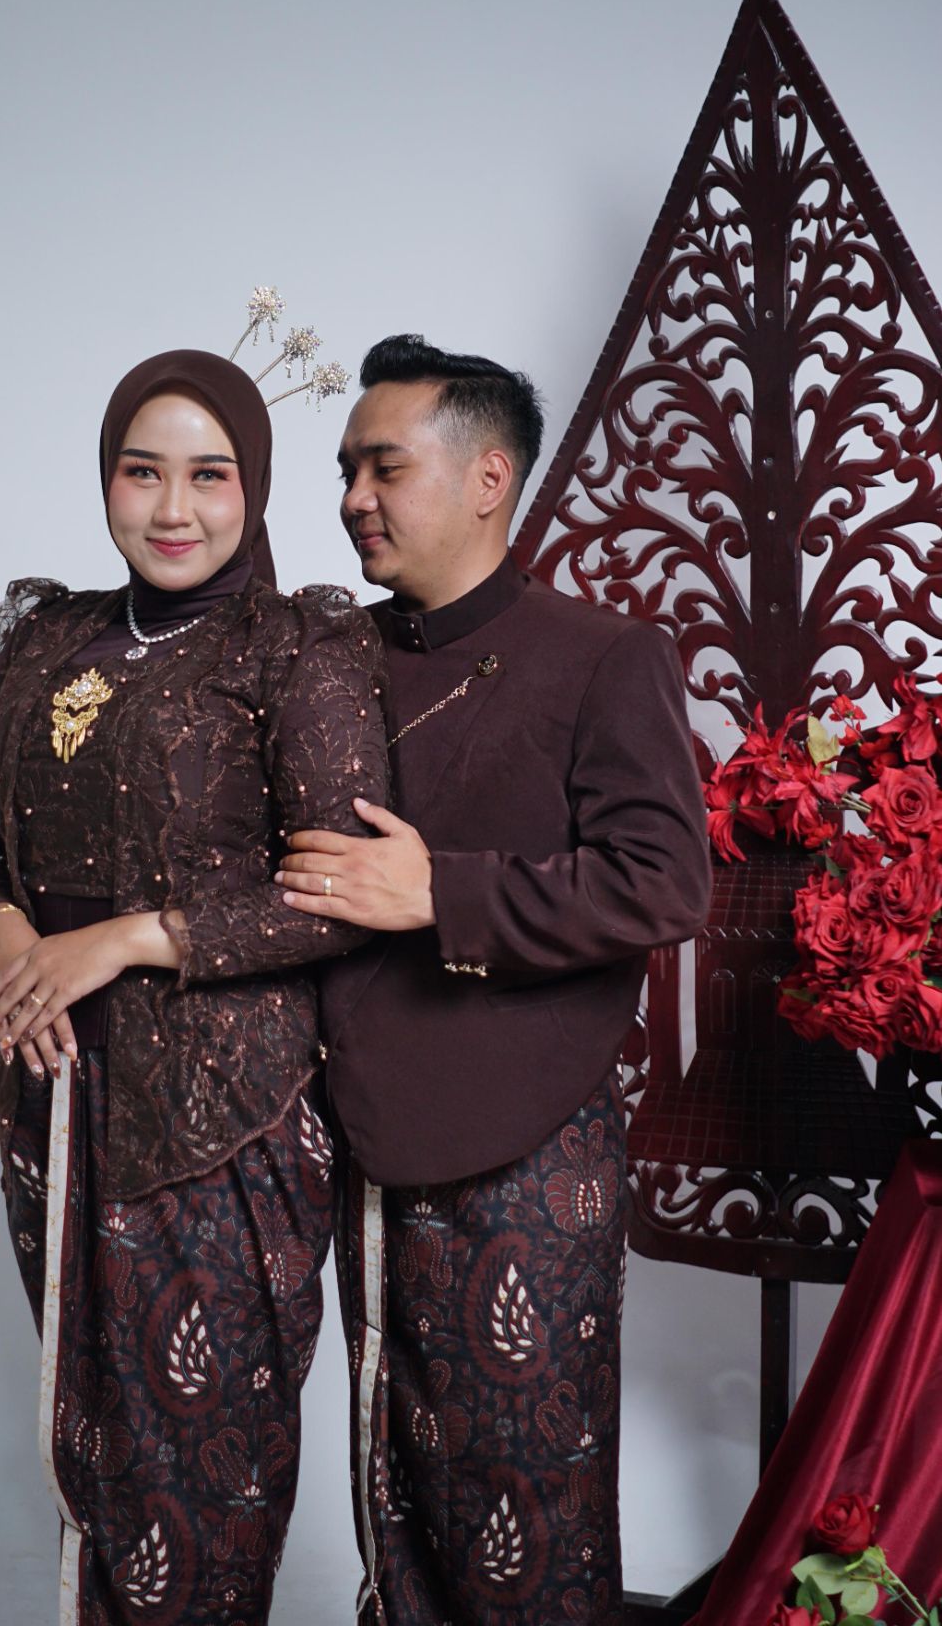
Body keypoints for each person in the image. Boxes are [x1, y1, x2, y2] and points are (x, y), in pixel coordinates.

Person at [0, 350, 389, 1626]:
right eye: (142, 473)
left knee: (201, 1467)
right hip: (55, 1100)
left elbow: (336, 894)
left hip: (220, 1123)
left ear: (255, 486)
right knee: (89, 1446)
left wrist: (126, 939)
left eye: (210, 475)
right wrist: (7, 932)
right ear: (106, 480)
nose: (173, 508)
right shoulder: (49, 636)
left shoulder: (297, 648)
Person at [277, 335, 711, 1626]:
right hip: (354, 1134)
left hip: (526, 1145)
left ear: (487, 479)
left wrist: (440, 893)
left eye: (383, 466)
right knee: (391, 1499)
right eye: (344, 469)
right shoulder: (329, 656)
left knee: (525, 1512)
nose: (352, 497)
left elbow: (662, 885)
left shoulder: (601, 655)